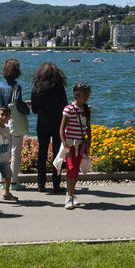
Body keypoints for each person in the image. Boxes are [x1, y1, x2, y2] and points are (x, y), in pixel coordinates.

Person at [30, 61, 68, 194]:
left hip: (42, 123)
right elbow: (65, 106)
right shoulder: (59, 87)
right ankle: (56, 184)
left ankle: (41, 184)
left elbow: (34, 109)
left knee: (42, 154)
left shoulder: (36, 87)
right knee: (57, 154)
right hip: (57, 124)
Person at [0, 58, 30, 187]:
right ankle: (13, 182)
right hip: (15, 124)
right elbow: (19, 105)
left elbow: (1, 105)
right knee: (16, 153)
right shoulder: (17, 87)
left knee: (4, 153)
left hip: (3, 122)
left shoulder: (0, 86)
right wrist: (27, 108)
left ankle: (2, 181)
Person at [59, 82, 92, 210]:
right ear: (77, 95)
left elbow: (88, 127)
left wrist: (89, 142)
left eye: (88, 94)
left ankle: (72, 194)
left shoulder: (87, 108)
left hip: (81, 144)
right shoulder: (69, 109)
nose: (87, 97)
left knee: (76, 169)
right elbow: (61, 129)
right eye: (85, 95)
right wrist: (65, 146)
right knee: (71, 169)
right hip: (71, 144)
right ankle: (69, 196)